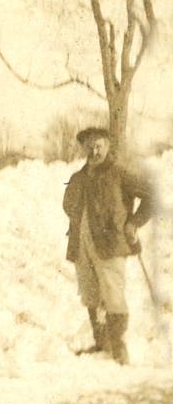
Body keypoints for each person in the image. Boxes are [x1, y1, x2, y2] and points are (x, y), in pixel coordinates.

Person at [62, 126, 156, 364]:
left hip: (110, 244)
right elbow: (68, 204)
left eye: (99, 146)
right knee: (90, 294)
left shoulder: (120, 173)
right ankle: (101, 343)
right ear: (84, 148)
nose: (94, 151)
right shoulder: (78, 178)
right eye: (90, 146)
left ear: (108, 146)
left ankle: (118, 348)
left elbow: (150, 197)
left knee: (113, 295)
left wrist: (133, 223)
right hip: (81, 244)